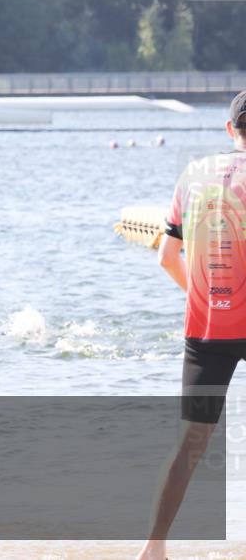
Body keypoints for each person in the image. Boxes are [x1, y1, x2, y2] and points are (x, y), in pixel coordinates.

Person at [137, 91, 246, 560]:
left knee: (190, 445)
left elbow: (167, 256)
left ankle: (154, 548)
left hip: (206, 330)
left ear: (230, 129)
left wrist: (203, 298)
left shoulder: (192, 175)